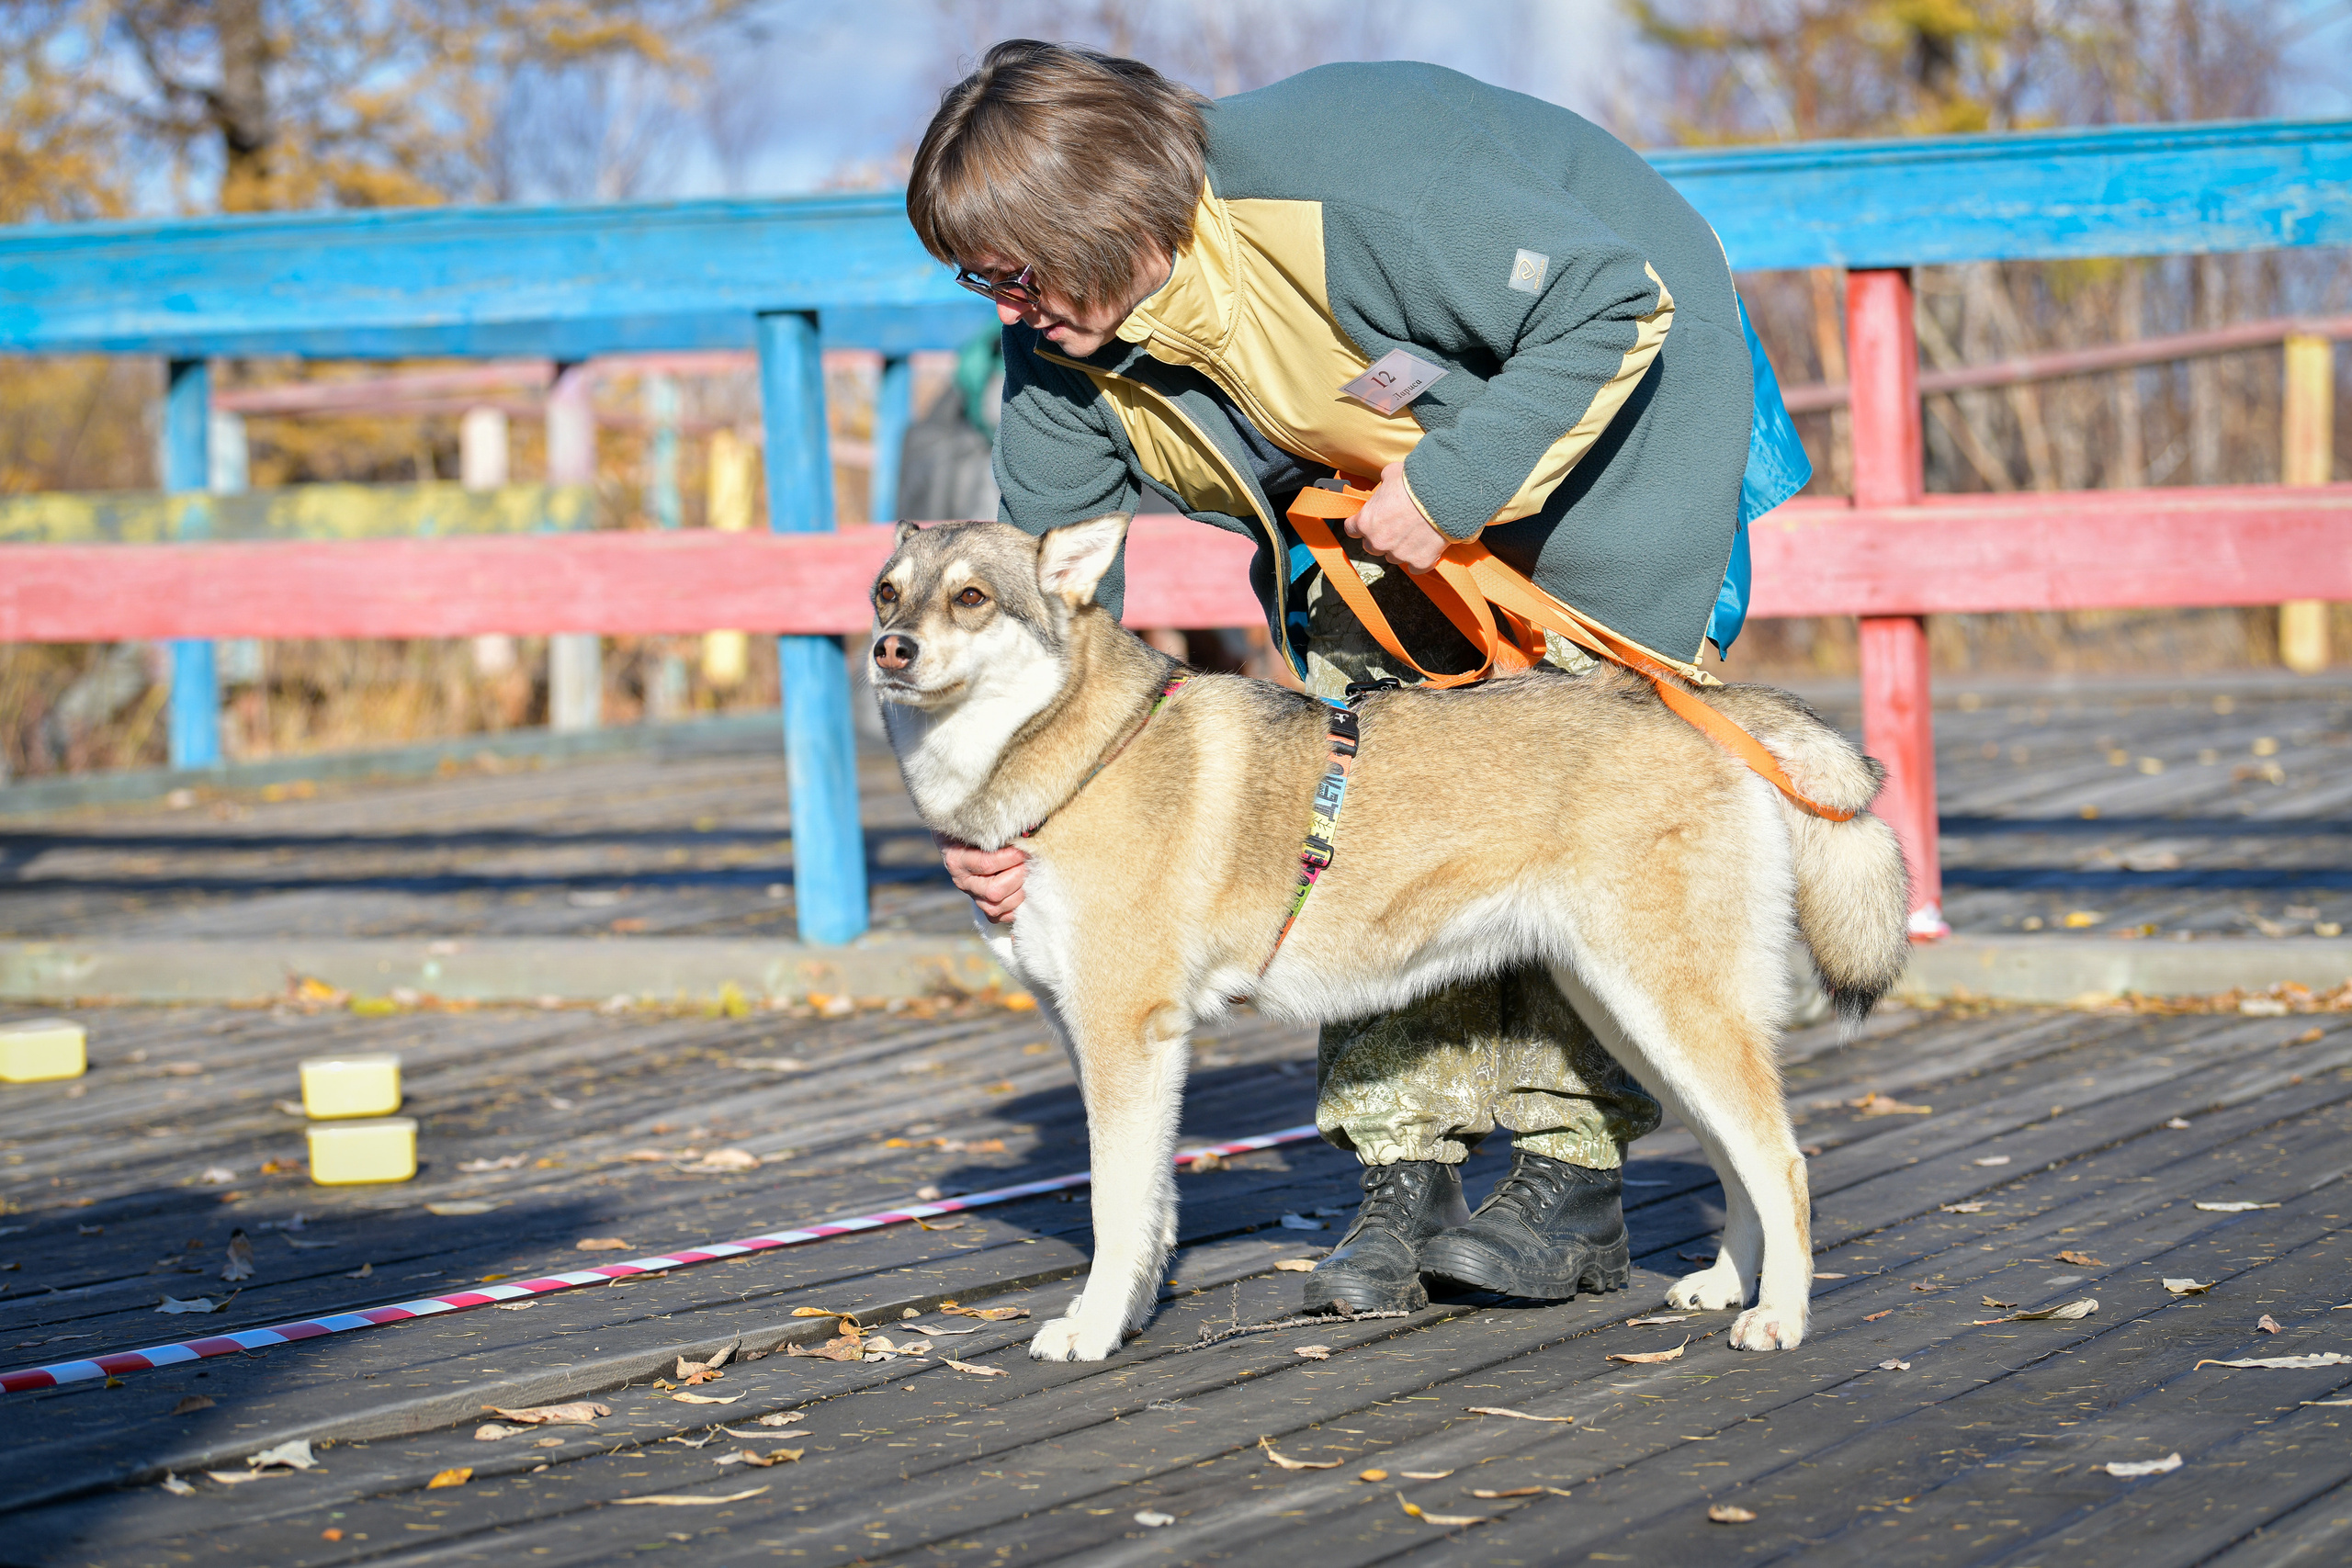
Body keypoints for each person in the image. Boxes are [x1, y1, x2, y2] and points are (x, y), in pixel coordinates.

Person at [902, 42, 1809, 1313]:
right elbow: (1043, 612)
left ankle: (1569, 1173)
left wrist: (1446, 490)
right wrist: (1011, 822)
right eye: (975, 277)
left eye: (1013, 272)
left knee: (1571, 803)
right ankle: (1404, 1169)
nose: (1003, 308)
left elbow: (1616, 302)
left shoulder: (1361, 175)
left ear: (1099, 220)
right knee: (1350, 800)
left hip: (1619, 416)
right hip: (1369, 498)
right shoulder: (1057, 346)